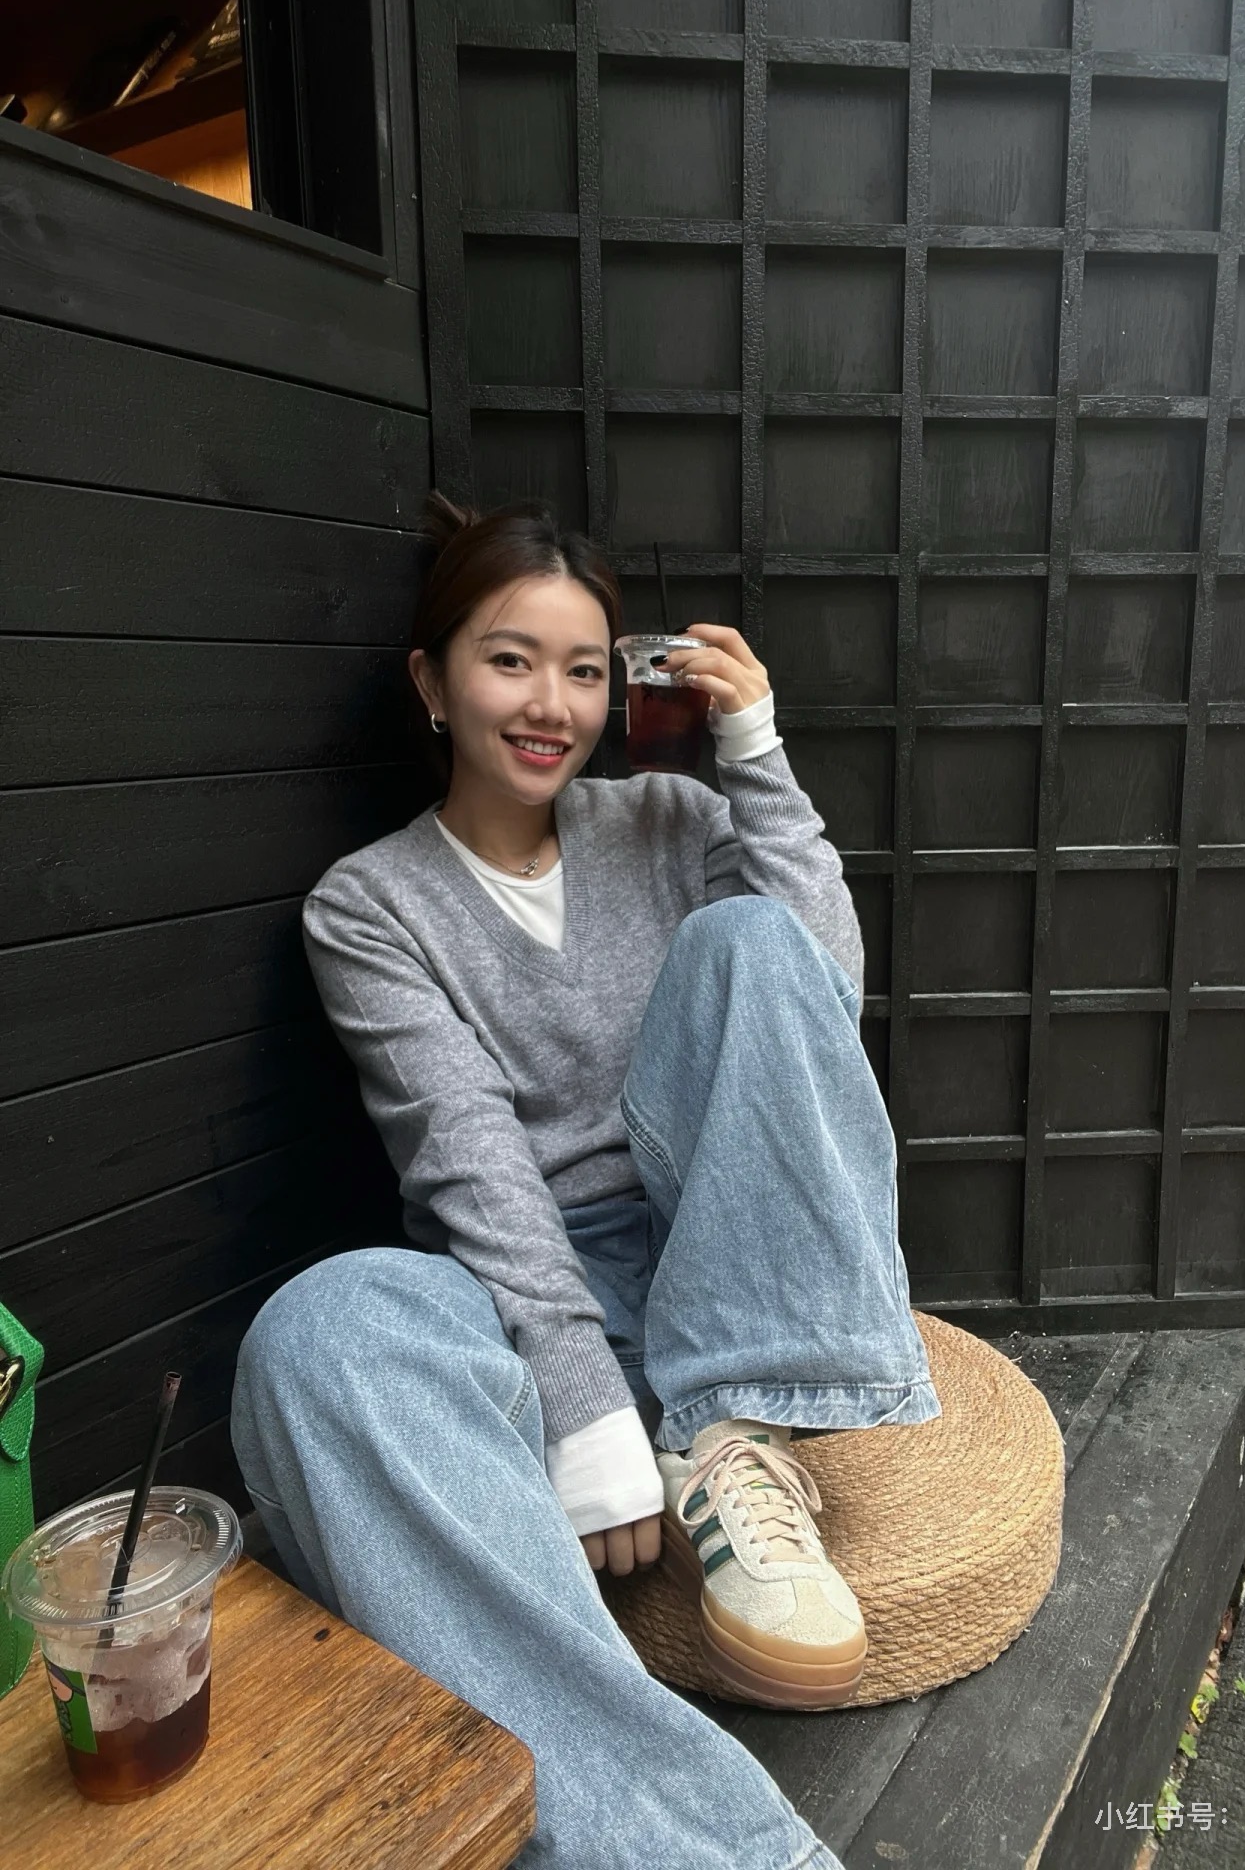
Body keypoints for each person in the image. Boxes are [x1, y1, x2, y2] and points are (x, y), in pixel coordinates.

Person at [230, 495, 942, 1869]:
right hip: (531, 1284)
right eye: (509, 661)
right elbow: (468, 1162)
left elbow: (818, 1002)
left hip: (723, 1252)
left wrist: (756, 751)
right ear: (433, 680)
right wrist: (581, 1408)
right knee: (318, 1328)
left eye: (582, 668)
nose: (551, 705)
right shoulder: (369, 905)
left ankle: (735, 1429)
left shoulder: (672, 815)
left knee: (752, 942)